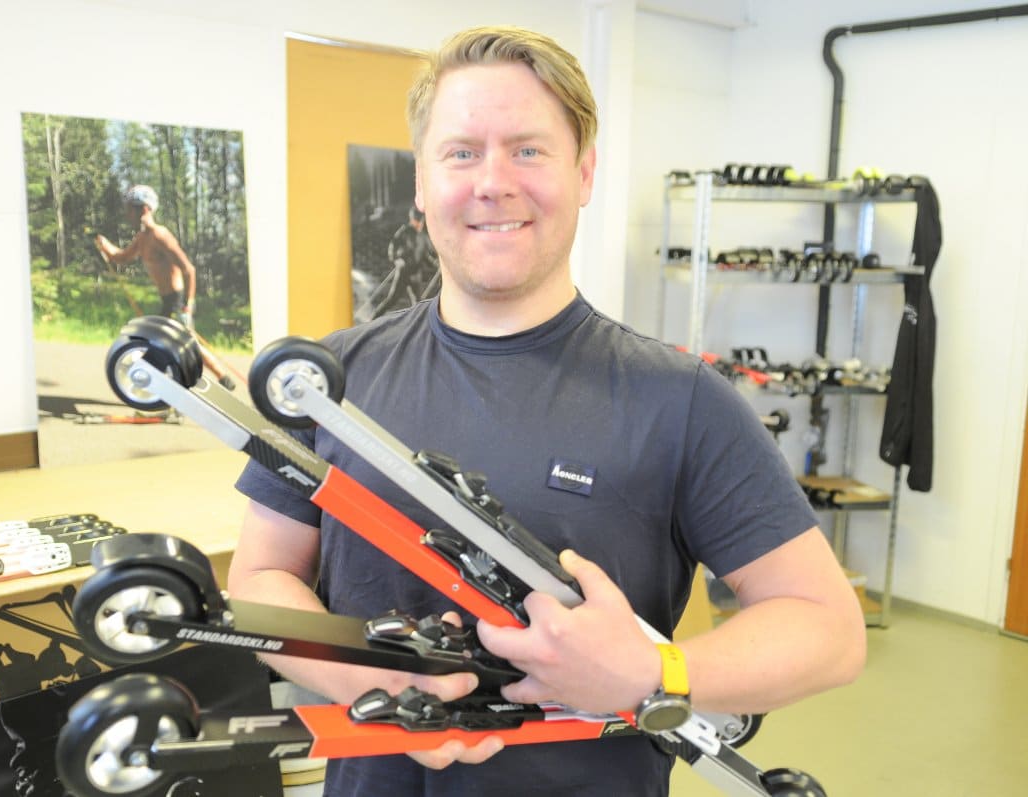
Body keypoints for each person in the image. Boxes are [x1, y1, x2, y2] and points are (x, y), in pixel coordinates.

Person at [228, 25, 866, 797]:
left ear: (584, 171)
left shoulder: (682, 400)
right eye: (461, 152)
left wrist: (653, 670)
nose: (492, 182)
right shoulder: (333, 379)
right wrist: (372, 677)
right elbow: (260, 575)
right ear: (421, 182)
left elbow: (829, 630)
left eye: (528, 149)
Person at [95, 185, 234, 388]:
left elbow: (189, 270)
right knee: (176, 341)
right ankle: (213, 379)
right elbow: (121, 258)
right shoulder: (142, 238)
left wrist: (188, 306)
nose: (127, 214)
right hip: (167, 300)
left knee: (179, 342)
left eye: (130, 209)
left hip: (177, 300)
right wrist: (105, 245)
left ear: (144, 209)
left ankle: (215, 379)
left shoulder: (160, 236)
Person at [369, 205, 441, 318]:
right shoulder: (404, 232)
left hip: (415, 274)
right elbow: (392, 247)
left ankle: (416, 327)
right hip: (403, 272)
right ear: (412, 219)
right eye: (416, 220)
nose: (419, 223)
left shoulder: (422, 236)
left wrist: (437, 264)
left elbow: (425, 255)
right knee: (392, 299)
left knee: (417, 303)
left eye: (420, 221)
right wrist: (396, 259)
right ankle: (374, 318)